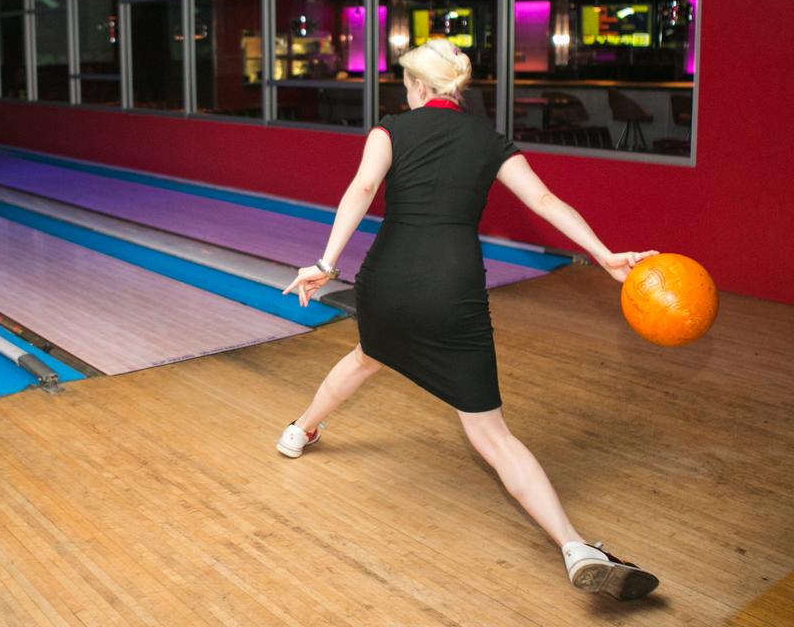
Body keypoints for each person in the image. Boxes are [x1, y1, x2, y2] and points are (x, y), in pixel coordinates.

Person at [277, 38, 660, 601]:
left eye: (405, 85)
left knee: (368, 355)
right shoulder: (487, 139)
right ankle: (576, 546)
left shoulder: (390, 130)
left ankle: (298, 431)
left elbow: (362, 188)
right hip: (453, 289)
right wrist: (604, 255)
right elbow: (545, 201)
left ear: (419, 86)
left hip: (389, 281)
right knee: (491, 435)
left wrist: (325, 264)